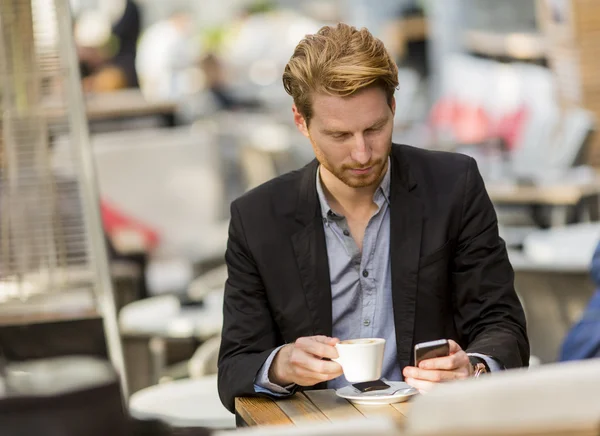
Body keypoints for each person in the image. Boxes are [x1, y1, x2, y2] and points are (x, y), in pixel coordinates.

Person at [217, 23, 529, 412]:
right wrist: (281, 365)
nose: (363, 154)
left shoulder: (454, 186)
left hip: (431, 422)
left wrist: (474, 368)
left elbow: (503, 325)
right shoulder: (258, 217)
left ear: (394, 108)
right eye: (340, 135)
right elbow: (233, 368)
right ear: (301, 122)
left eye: (375, 128)